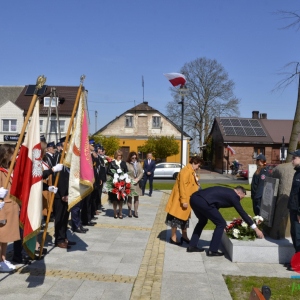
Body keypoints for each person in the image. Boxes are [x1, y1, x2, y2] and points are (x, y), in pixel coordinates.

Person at [188, 186, 264, 256]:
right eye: (241, 198)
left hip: (194, 199)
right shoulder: (234, 195)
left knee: (202, 221)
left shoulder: (227, 192)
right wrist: (256, 229)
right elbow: (243, 213)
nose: (240, 201)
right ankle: (213, 250)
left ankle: (192, 246)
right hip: (203, 202)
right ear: (238, 193)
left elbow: (215, 205)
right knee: (221, 223)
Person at [165, 156, 203, 245]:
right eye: (198, 165)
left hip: (186, 199)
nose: (199, 167)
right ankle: (173, 237)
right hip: (180, 200)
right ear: (194, 162)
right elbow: (182, 187)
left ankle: (184, 236)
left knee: (184, 219)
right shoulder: (185, 171)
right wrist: (184, 201)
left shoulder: (191, 170)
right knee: (175, 218)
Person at [53, 137, 76, 249]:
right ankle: (59, 239)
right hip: (60, 195)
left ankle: (64, 237)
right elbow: (60, 177)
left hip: (68, 192)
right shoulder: (60, 156)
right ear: (64, 144)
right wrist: (63, 194)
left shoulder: (69, 156)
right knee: (60, 217)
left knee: (65, 217)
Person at [0, 144, 20, 272]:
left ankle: (3, 259)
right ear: (5, 155)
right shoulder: (1, 171)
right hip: (3, 209)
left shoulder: (10, 169)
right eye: (12, 153)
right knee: (0, 237)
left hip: (11, 207)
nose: (14, 156)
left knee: (6, 239)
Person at [287, 150, 300, 271]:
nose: (292, 160)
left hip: (298, 212)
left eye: (294, 158)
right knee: (295, 235)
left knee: (298, 237)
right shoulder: (297, 173)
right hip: (293, 210)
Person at [107, 150, 128, 219]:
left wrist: (124, 178)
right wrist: (114, 174)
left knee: (121, 199)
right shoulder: (112, 163)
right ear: (116, 155)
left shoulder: (123, 163)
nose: (120, 157)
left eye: (121, 155)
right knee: (115, 199)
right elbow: (108, 171)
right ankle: (115, 212)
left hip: (122, 183)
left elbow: (126, 171)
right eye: (118, 155)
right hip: (114, 182)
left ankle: (120, 212)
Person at [81, 140, 97, 226]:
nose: (93, 147)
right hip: (86, 182)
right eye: (92, 145)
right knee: (86, 203)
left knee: (90, 201)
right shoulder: (86, 156)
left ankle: (89, 218)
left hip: (91, 181)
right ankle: (85, 220)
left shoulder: (91, 156)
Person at [126, 152, 143, 218]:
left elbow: (141, 172)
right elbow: (126, 173)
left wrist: (138, 179)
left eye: (135, 158)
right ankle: (129, 211)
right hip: (130, 182)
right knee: (129, 197)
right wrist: (132, 179)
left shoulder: (138, 163)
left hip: (137, 183)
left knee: (136, 198)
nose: (134, 159)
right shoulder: (127, 164)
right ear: (130, 158)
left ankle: (135, 212)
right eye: (133, 158)